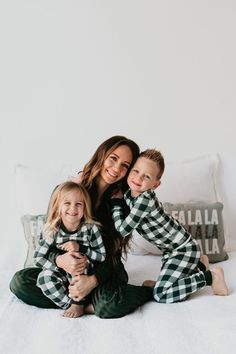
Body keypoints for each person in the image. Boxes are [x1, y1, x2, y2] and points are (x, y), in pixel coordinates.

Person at [10, 136, 153, 318]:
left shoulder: (119, 204)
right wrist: (59, 261)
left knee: (109, 305)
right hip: (64, 272)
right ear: (102, 155)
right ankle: (83, 305)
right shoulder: (68, 191)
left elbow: (111, 256)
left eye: (125, 165)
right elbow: (48, 238)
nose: (117, 168)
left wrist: (92, 281)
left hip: (102, 271)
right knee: (20, 282)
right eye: (113, 158)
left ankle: (147, 290)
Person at [111, 149, 229, 303]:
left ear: (155, 184)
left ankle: (209, 277)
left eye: (146, 176)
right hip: (171, 251)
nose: (138, 178)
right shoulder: (130, 193)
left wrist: (115, 202)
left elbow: (122, 230)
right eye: (136, 171)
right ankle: (198, 266)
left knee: (161, 295)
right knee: (171, 290)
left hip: (182, 250)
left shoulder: (144, 200)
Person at [35, 181, 106, 318]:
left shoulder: (90, 229)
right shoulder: (52, 229)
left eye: (78, 204)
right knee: (43, 278)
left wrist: (81, 248)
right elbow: (38, 258)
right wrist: (59, 266)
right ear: (57, 206)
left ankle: (78, 303)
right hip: (60, 274)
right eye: (67, 203)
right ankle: (73, 304)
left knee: (78, 259)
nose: (73, 208)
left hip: (84, 275)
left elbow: (101, 256)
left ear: (85, 208)